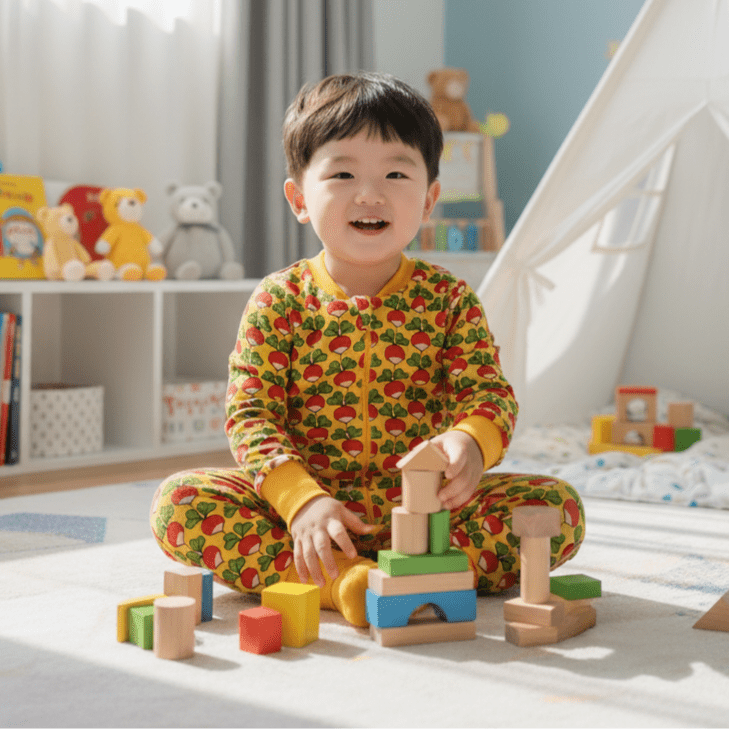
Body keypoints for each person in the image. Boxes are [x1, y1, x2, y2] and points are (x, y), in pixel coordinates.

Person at [150, 72, 585, 627]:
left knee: (557, 509)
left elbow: (488, 394)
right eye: (344, 173)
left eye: (396, 173)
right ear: (299, 198)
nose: (370, 193)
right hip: (308, 516)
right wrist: (301, 501)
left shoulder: (449, 299)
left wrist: (470, 442)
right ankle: (342, 581)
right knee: (179, 502)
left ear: (428, 199)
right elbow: (250, 415)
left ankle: (421, 572)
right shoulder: (279, 300)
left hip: (430, 517)